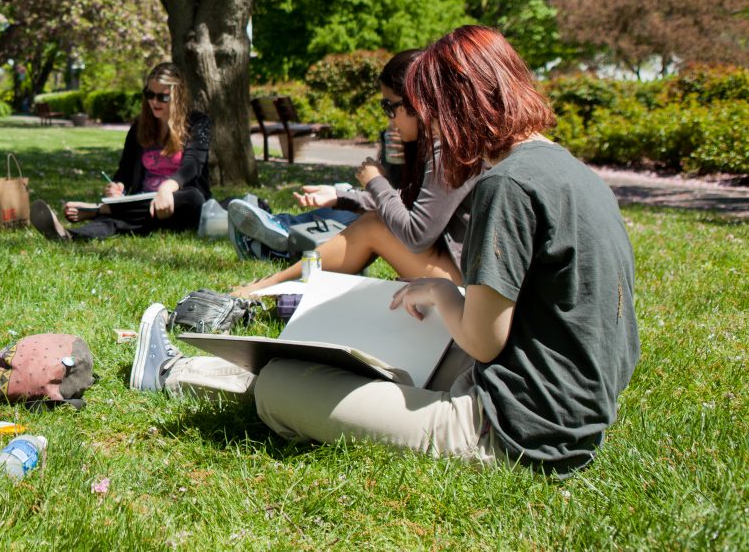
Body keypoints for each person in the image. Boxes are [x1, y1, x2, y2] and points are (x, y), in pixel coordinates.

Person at [136, 26, 639, 476]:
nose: (431, 129)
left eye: (432, 111)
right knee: (392, 347)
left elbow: (485, 342)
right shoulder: (572, 172)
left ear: (460, 105)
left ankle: (170, 372)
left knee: (282, 386)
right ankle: (195, 367)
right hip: (569, 411)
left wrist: (444, 293)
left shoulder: (506, 186)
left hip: (513, 430)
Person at [228, 49, 476, 293]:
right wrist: (341, 198)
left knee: (373, 227)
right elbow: (411, 203)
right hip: (459, 270)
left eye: (390, 107)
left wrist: (376, 182)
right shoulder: (450, 143)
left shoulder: (449, 152)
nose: (390, 120)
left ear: (416, 102)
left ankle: (273, 285)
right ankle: (277, 283)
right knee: (373, 223)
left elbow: (416, 234)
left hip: (463, 284)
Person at [30, 62, 210, 241]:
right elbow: (124, 171)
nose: (154, 101)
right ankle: (69, 236)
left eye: (162, 97)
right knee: (122, 221)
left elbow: (192, 165)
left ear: (177, 96)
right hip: (143, 204)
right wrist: (118, 186)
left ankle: (100, 210)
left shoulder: (198, 123)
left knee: (194, 198)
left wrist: (166, 189)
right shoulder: (139, 127)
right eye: (149, 94)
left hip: (179, 203)